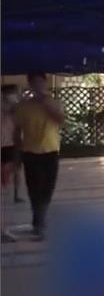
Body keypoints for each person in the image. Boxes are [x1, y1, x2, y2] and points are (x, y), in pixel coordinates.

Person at [13, 73, 64, 239]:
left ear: (45, 83)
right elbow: (17, 131)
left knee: (47, 188)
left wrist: (45, 103)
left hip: (50, 150)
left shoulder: (54, 102)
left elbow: (60, 120)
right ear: (30, 84)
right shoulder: (23, 106)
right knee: (34, 188)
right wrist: (17, 155)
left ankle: (40, 219)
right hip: (30, 152)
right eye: (34, 83)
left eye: (40, 82)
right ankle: (39, 222)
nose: (37, 85)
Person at [2, 85, 20, 202]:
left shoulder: (16, 105)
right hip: (7, 142)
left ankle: (15, 194)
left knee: (15, 168)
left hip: (12, 142)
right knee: (9, 168)